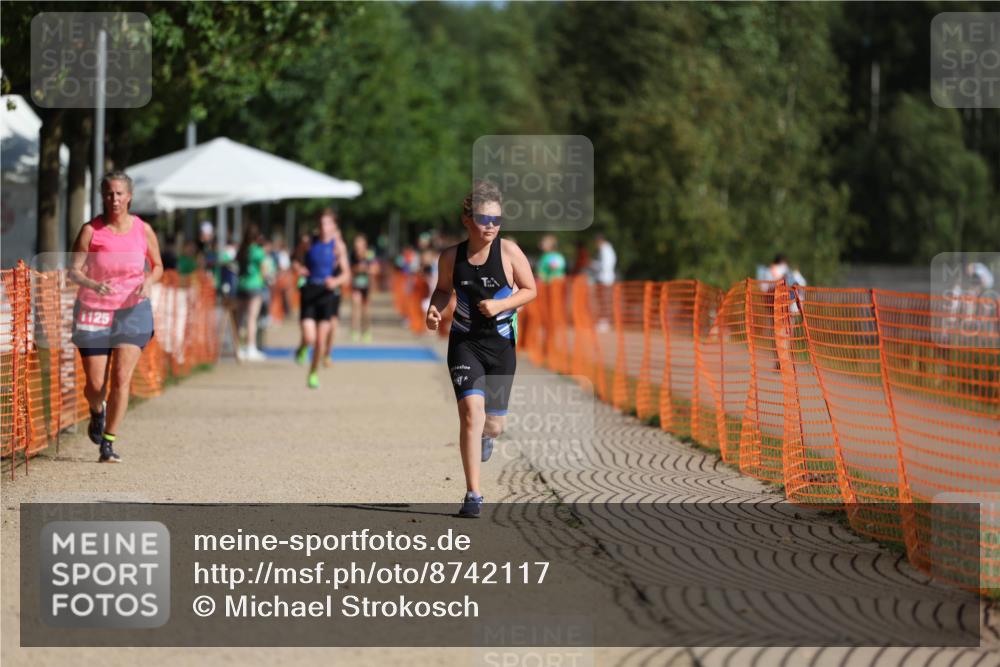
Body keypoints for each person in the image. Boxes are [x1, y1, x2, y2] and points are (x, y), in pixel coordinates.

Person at [426, 180, 537, 518]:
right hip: (465, 343)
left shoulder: (509, 252)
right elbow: (443, 290)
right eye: (484, 219)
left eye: (497, 220)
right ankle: (473, 493)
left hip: (501, 346)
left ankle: (487, 437)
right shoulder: (451, 257)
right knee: (470, 415)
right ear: (467, 220)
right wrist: (435, 309)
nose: (491, 226)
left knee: (494, 425)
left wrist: (501, 307)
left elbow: (530, 290)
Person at [68, 170, 163, 463]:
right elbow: (73, 270)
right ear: (102, 197)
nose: (114, 199)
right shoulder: (91, 231)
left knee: (121, 377)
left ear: (129, 196)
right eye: (109, 193)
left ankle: (108, 443)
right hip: (94, 309)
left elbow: (158, 265)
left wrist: (148, 282)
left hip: (132, 310)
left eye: (120, 193)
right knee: (96, 386)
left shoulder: (143, 230)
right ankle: (97, 411)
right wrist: (92, 283)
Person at [293, 208, 350, 388]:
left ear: (334, 226)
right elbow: (295, 260)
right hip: (309, 293)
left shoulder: (338, 246)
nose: (324, 227)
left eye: (327, 223)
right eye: (321, 223)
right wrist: (299, 269)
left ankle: (313, 372)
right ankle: (302, 347)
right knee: (309, 337)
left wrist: (336, 281)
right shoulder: (308, 242)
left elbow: (347, 273)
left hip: (326, 295)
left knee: (320, 340)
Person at [235, 224, 270, 361]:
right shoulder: (258, 251)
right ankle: (251, 347)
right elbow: (263, 270)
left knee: (239, 318)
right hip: (255, 286)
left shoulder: (242, 250)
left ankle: (237, 346)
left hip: (241, 285)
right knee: (251, 318)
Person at [350, 233, 378, 342]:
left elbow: (375, 268)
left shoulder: (370, 254)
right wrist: (358, 269)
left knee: (366, 311)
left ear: (364, 244)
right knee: (355, 307)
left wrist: (366, 269)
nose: (357, 245)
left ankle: (366, 331)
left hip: (366, 286)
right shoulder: (352, 255)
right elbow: (350, 268)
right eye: (356, 243)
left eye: (360, 242)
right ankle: (354, 330)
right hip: (356, 285)